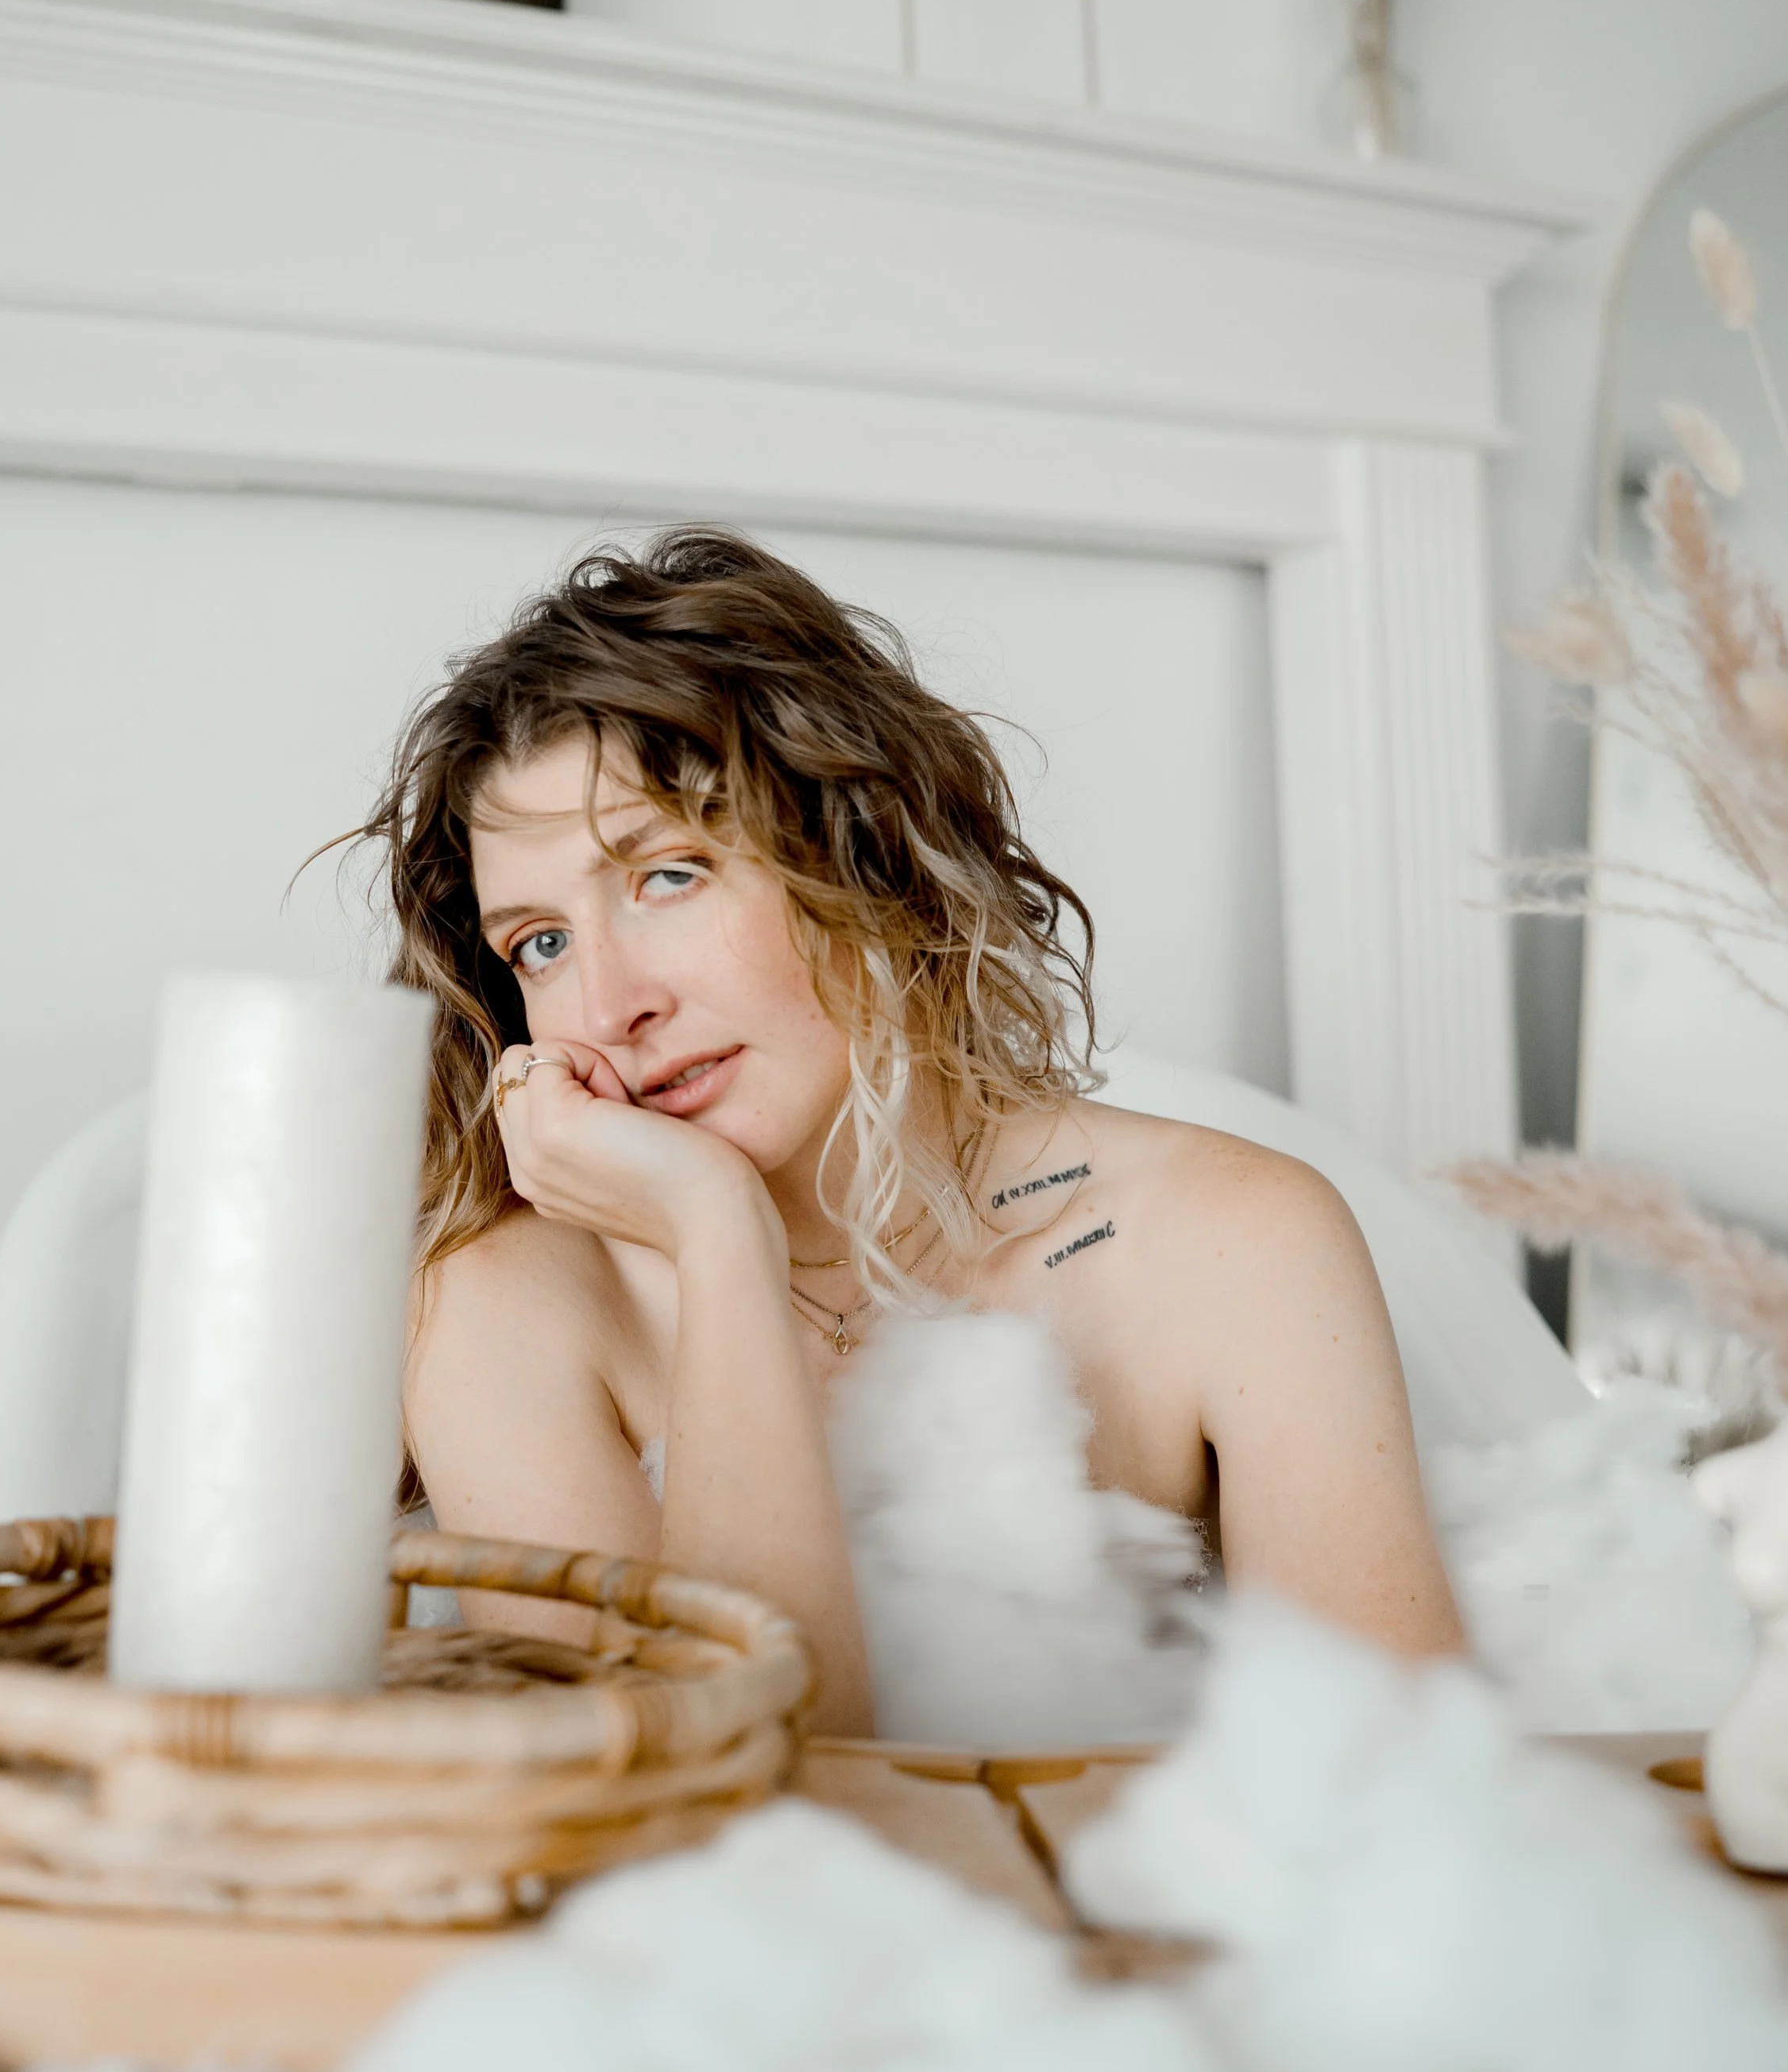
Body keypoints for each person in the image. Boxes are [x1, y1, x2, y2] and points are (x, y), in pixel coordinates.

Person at [367, 528, 1464, 1738]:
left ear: (867, 850)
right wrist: (719, 1238)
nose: (611, 1002)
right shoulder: (502, 1306)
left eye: (668, 873)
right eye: (541, 942)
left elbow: (1406, 1799)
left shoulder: (1231, 1240)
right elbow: (728, 1814)